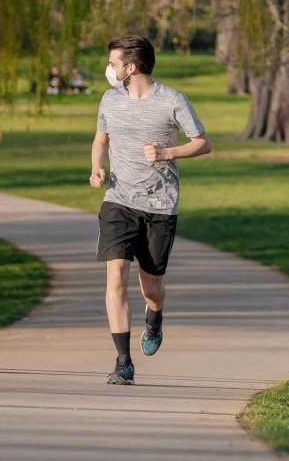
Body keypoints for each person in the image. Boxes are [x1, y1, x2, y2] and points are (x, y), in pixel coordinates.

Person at [89, 35, 212, 385]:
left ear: (131, 67)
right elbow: (101, 139)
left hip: (160, 205)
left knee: (150, 288)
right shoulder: (110, 100)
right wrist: (97, 166)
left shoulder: (171, 100)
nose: (109, 69)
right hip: (118, 201)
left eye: (113, 63)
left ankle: (154, 317)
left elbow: (203, 143)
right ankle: (123, 362)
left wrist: (167, 153)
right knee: (115, 278)